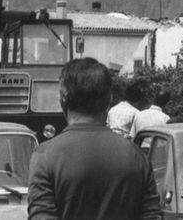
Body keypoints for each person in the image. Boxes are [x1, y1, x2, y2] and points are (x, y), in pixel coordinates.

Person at [28, 58, 161, 220]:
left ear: (63, 98)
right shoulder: (136, 157)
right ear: (109, 99)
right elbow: (152, 215)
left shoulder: (45, 156)